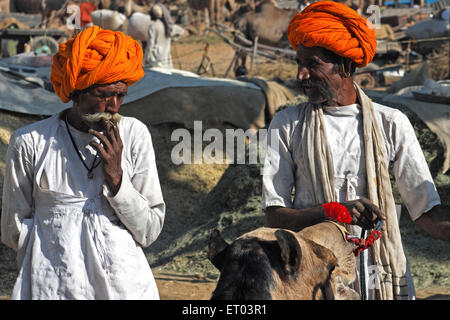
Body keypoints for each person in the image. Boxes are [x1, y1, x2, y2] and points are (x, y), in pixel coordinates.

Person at [262, 1, 449, 300]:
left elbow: (425, 212)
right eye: (300, 64)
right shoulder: (287, 124)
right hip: (313, 278)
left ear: (346, 66)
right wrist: (332, 212)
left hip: (382, 272)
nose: (301, 75)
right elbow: (275, 218)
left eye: (312, 64)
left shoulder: (391, 124)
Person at [1, 26, 165, 300]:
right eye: (103, 95)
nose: (113, 106)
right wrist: (55, 246)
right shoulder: (30, 142)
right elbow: (13, 228)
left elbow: (149, 230)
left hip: (124, 286)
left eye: (121, 95)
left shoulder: (135, 135)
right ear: (76, 92)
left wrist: (116, 179)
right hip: (53, 286)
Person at [143, 3, 174, 68]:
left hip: (155, 59)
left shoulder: (153, 26)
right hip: (166, 59)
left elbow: (150, 45)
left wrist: (145, 59)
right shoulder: (167, 26)